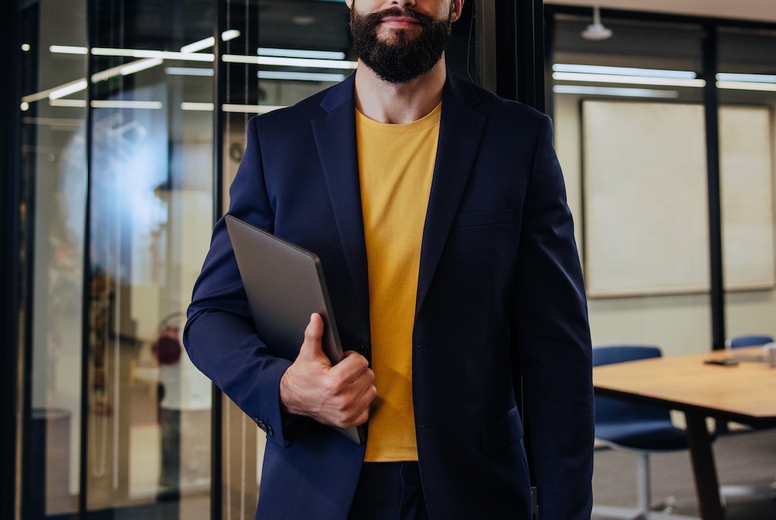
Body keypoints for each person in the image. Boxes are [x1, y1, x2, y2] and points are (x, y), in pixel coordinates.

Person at [184, 0, 594, 518]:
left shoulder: (517, 141)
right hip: (317, 488)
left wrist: (566, 509)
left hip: (475, 490)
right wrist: (286, 386)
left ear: (457, 4)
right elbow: (210, 316)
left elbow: (557, 354)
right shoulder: (280, 143)